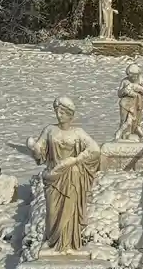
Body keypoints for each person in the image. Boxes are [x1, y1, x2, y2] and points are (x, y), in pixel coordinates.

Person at [26, 96, 100, 252]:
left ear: (70, 115)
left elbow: (95, 149)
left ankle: (68, 244)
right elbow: (40, 151)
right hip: (53, 176)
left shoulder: (78, 133)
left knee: (70, 211)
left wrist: (74, 160)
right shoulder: (49, 130)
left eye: (63, 112)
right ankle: (53, 242)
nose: (59, 115)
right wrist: (34, 149)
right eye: (57, 112)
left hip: (71, 177)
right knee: (52, 212)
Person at [115, 63, 143, 141]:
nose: (133, 77)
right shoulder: (125, 81)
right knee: (124, 121)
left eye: (135, 75)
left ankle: (133, 132)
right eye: (131, 75)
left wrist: (137, 88)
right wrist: (126, 90)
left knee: (135, 120)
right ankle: (123, 134)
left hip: (136, 103)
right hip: (125, 103)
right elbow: (119, 93)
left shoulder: (140, 81)